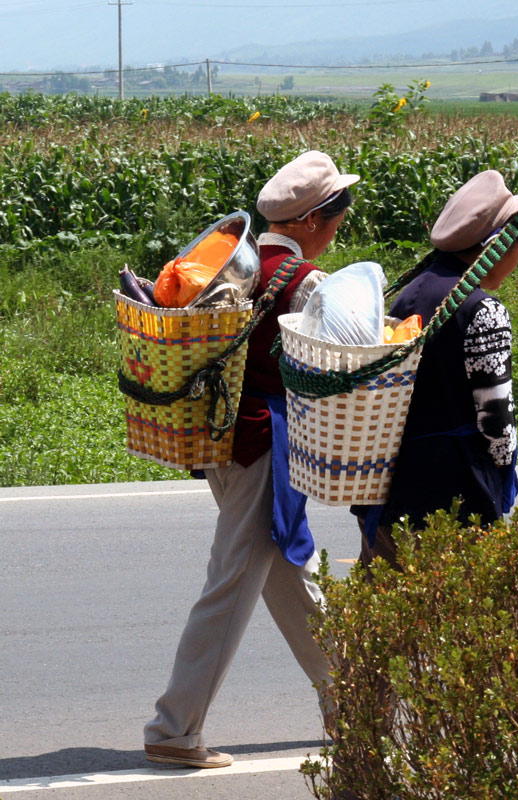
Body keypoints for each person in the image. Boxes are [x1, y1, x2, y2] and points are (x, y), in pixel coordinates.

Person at [143, 150, 359, 768]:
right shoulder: (304, 282)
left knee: (290, 575)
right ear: (314, 220)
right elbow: (339, 359)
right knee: (234, 581)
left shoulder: (229, 267)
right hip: (266, 444)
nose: (341, 223)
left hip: (219, 438)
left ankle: (352, 703)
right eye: (339, 212)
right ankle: (173, 730)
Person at [353, 169, 518, 570]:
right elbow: (496, 421)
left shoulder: (410, 293)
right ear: (499, 246)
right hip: (454, 492)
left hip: (392, 485)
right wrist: (501, 475)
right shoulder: (483, 310)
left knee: (389, 617)